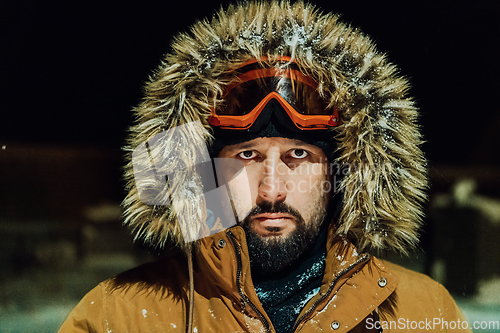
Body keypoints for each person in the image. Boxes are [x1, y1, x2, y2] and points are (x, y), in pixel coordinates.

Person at [59, 1, 471, 332]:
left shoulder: (425, 313)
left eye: (299, 156)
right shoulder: (115, 317)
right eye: (247, 156)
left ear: (343, 174)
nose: (271, 190)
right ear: (203, 172)